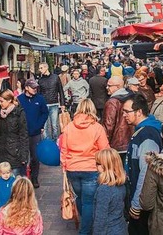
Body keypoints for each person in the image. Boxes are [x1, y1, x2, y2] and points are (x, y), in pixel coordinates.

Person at [59, 99, 110, 235]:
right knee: (88, 202)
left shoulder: (69, 127)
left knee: (80, 197)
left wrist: (64, 165)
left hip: (72, 168)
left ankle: (86, 223)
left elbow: (64, 149)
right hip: (91, 168)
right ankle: (85, 230)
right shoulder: (97, 128)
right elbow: (104, 149)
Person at [123, 95, 162, 235]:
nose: (124, 115)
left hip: (142, 204)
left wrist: (136, 204)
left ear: (138, 112)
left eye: (127, 111)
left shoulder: (148, 135)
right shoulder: (142, 130)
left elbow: (146, 172)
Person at [0, 90, 29, 177]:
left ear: (9, 100)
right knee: (0, 183)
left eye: (2, 101)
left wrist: (24, 156)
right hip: (0, 152)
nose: (0, 103)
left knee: (13, 183)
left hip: (14, 153)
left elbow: (23, 135)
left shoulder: (19, 113)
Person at [18, 79, 49, 188]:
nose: (35, 89)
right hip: (22, 133)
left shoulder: (40, 99)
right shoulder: (19, 99)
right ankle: (22, 178)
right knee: (23, 157)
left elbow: (45, 113)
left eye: (36, 87)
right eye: (32, 87)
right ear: (26, 87)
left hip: (35, 133)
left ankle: (34, 177)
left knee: (35, 157)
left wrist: (39, 125)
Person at [92, 148, 128, 235]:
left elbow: (100, 219)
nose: (95, 166)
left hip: (109, 231)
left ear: (105, 166)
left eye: (97, 163)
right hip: (121, 228)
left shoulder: (104, 190)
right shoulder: (121, 184)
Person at [102, 76, 134, 162]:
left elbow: (108, 126)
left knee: (116, 172)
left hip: (117, 144)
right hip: (131, 141)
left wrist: (104, 145)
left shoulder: (112, 102)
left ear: (118, 86)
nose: (107, 87)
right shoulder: (132, 97)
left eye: (109, 85)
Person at [37, 62, 65, 141]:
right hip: (44, 105)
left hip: (54, 103)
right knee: (45, 126)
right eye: (39, 68)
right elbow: (39, 93)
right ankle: (47, 143)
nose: (40, 70)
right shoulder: (40, 80)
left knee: (54, 125)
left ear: (46, 68)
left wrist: (62, 103)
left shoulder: (55, 77)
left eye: (41, 68)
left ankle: (55, 141)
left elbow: (60, 90)